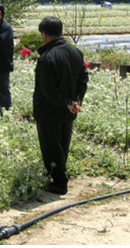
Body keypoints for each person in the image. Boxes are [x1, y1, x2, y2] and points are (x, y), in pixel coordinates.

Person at [33, 17, 89, 195]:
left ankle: (58, 183)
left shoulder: (47, 57)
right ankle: (58, 173)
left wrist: (67, 103)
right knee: (62, 144)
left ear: (44, 34)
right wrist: (76, 102)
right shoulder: (75, 52)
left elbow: (47, 89)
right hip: (69, 109)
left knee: (51, 147)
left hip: (50, 110)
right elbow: (83, 79)